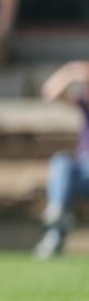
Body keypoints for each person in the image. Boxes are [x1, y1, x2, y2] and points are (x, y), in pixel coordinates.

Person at [34, 60, 89, 259]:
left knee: (64, 171)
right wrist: (71, 72)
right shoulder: (84, 104)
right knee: (62, 163)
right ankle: (56, 219)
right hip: (82, 173)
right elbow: (49, 92)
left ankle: (54, 233)